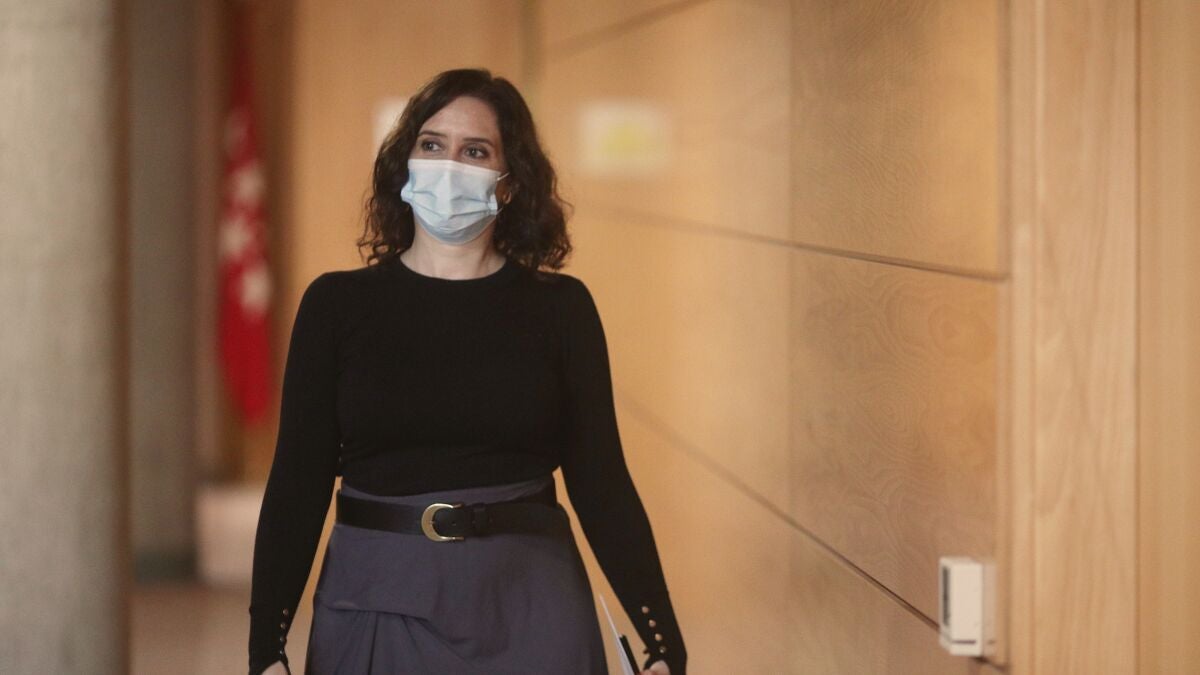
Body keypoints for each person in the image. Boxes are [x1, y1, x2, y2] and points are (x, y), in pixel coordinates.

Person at [247, 68, 687, 675]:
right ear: (405, 164)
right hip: (377, 597)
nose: (449, 165)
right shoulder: (337, 306)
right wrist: (265, 649)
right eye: (432, 145)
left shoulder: (561, 309)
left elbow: (602, 482)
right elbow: (297, 484)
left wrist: (660, 637)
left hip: (531, 602)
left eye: (475, 151)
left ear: (509, 184)